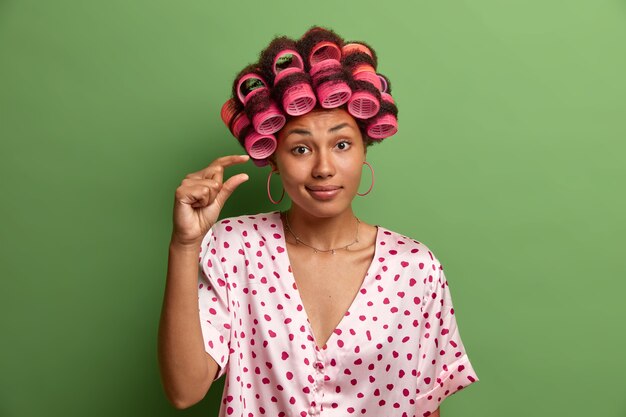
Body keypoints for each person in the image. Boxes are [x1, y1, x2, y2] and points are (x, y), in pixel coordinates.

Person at [158, 27, 478, 417]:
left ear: (364, 150)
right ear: (274, 159)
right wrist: (185, 244)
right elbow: (184, 391)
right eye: (301, 148)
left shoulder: (415, 268)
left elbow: (426, 408)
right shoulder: (233, 246)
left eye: (342, 144)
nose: (324, 168)